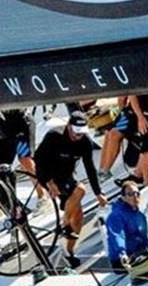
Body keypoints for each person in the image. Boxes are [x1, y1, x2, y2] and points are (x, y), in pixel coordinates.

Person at [35, 109, 107, 268]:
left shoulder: (85, 142)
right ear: (68, 126)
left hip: (67, 176)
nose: (77, 136)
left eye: (81, 133)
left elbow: (90, 168)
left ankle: (69, 251)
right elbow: (38, 161)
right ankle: (64, 224)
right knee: (81, 189)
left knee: (79, 217)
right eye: (75, 132)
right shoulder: (54, 136)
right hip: (48, 174)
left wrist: (99, 193)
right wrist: (48, 182)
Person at [104, 179, 148, 272]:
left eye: (137, 193)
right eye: (130, 194)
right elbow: (117, 235)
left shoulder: (140, 216)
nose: (135, 196)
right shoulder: (116, 216)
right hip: (123, 261)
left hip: (139, 255)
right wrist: (122, 253)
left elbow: (144, 238)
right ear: (123, 197)